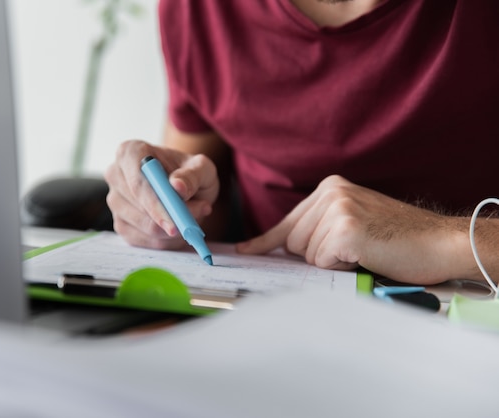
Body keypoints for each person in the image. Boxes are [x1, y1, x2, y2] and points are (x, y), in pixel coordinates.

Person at [105, 0, 499, 286]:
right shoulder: (196, 11)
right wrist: (164, 211)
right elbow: (203, 199)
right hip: (264, 312)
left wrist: (446, 240)